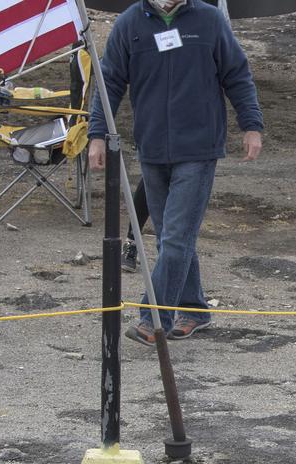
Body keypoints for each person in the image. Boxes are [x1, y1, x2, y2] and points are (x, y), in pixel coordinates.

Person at [87, 0, 264, 344]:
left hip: (198, 149)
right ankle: (195, 308)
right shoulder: (128, 24)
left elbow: (237, 74)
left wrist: (252, 125)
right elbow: (108, 82)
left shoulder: (209, 20)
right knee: (173, 236)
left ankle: (154, 318)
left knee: (176, 237)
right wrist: (96, 134)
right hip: (152, 149)